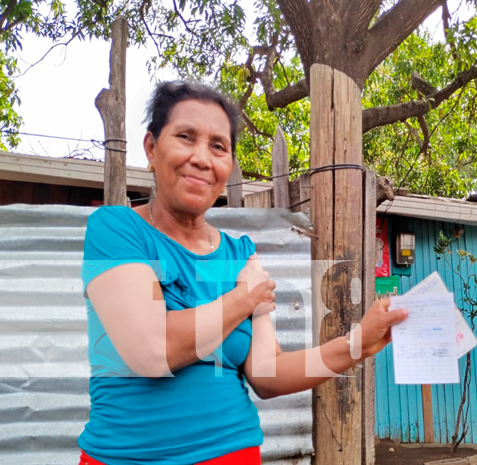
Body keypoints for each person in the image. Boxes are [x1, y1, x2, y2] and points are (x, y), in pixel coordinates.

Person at [79, 81, 408, 465]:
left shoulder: (240, 254)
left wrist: (357, 344)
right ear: (151, 148)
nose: (202, 158)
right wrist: (243, 299)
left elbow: (268, 375)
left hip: (235, 453)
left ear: (229, 165)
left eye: (218, 146)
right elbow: (151, 350)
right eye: (185, 137)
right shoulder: (118, 230)